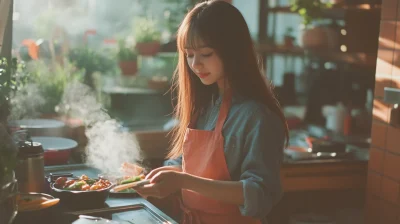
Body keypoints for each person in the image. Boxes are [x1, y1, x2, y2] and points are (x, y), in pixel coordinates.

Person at [134, 1, 289, 223]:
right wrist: (152, 177)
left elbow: (259, 195)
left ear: (233, 51)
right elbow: (183, 164)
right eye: (189, 54)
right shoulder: (205, 106)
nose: (195, 64)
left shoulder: (257, 116)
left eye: (206, 53)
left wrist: (183, 181)